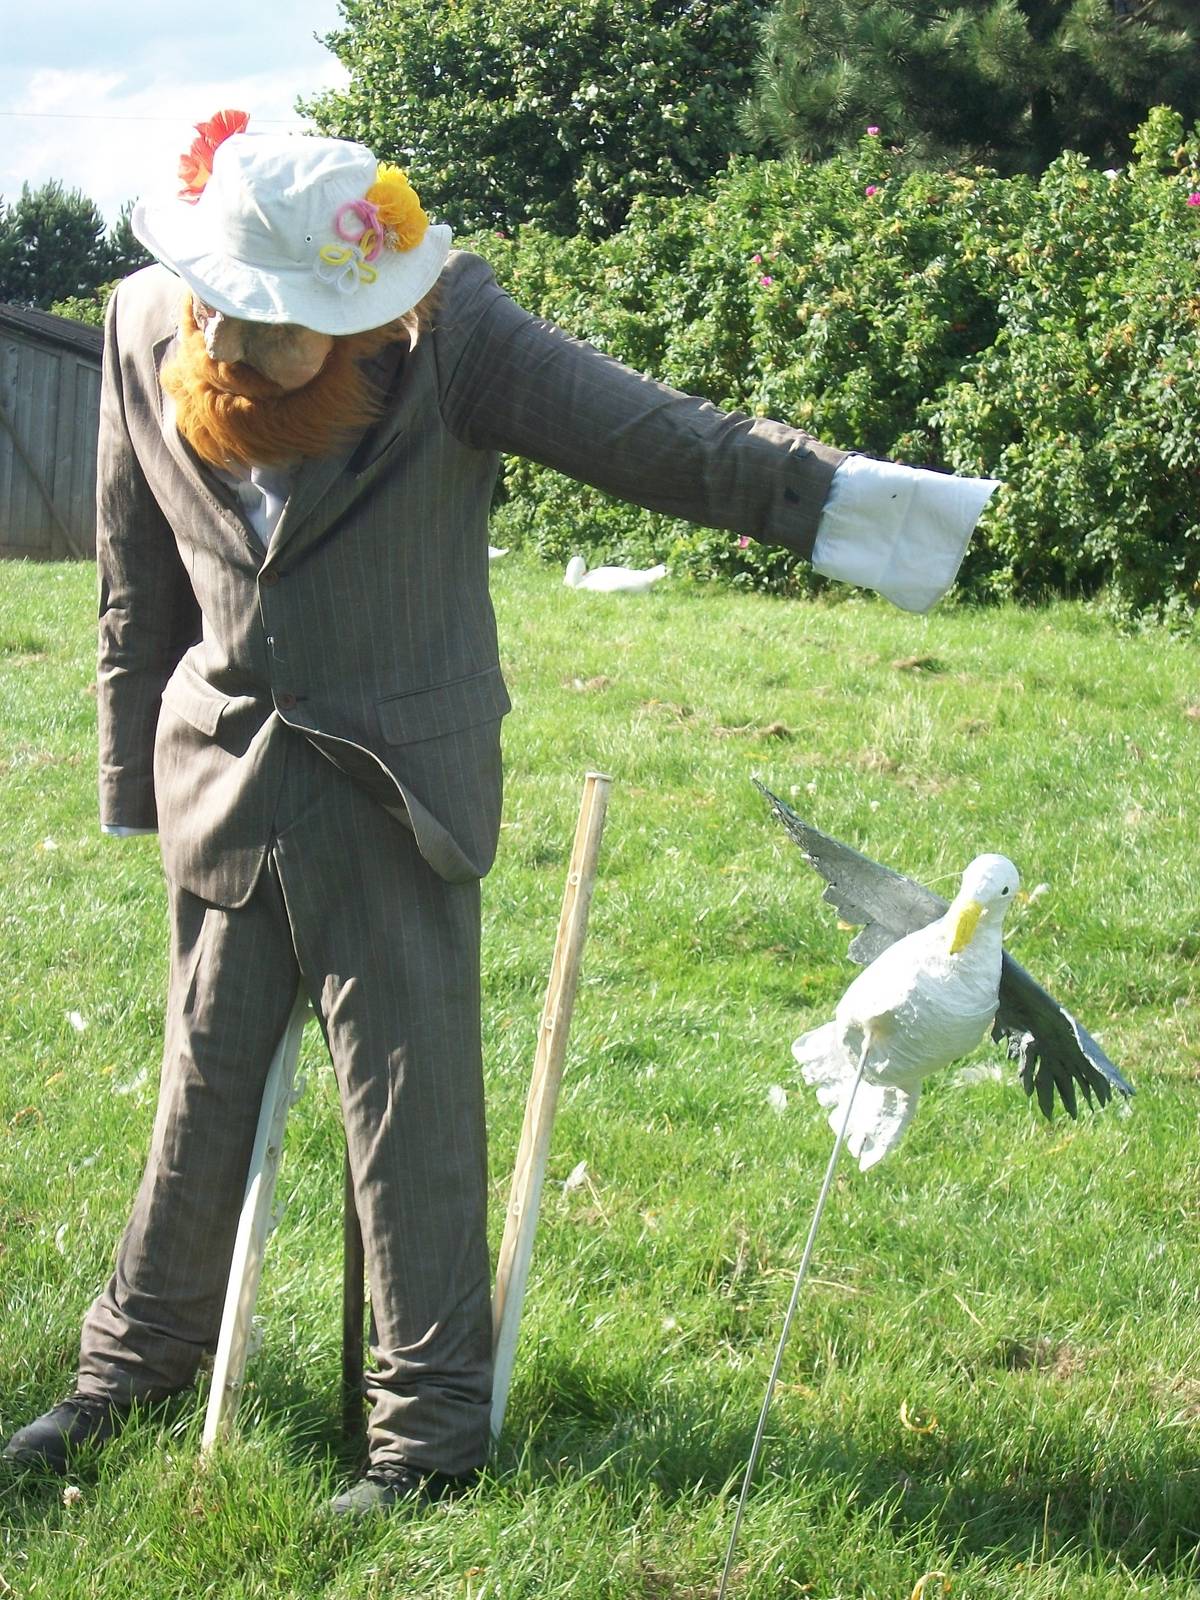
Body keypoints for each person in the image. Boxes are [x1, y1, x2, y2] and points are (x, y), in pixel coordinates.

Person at [1, 113, 997, 1512]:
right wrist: (131, 783)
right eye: (222, 304)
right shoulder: (132, 321)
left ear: (364, 318)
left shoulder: (451, 334)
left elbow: (656, 440)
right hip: (221, 777)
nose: (228, 348)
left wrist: (867, 516)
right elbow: (133, 573)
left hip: (397, 788)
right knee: (201, 1087)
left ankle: (424, 1442)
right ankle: (132, 1369)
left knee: (408, 1110)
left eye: (278, 326)